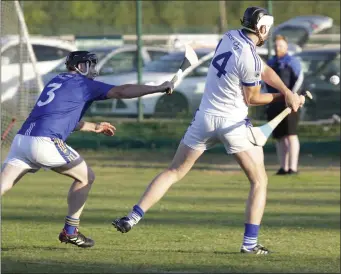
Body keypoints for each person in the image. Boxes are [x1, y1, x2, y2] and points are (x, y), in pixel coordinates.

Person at [112, 7, 305, 255]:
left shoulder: (229, 36)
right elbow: (252, 98)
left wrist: (287, 92)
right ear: (263, 29)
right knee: (259, 181)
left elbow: (263, 68)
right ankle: (249, 244)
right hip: (232, 124)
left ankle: (132, 217)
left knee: (173, 171)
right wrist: (284, 97)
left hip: (204, 119)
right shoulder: (251, 58)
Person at [0, 51, 173, 248]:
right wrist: (158, 88)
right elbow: (122, 91)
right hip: (44, 141)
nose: (95, 69)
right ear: (81, 66)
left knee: (3, 185)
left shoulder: (57, 80)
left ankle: (70, 231)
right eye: (91, 64)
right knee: (86, 177)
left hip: (22, 140)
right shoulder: (83, 83)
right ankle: (70, 231)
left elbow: (63, 117)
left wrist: (94, 127)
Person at [265, 35, 304, 175]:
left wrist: (292, 96)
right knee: (279, 137)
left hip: (289, 104)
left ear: (286, 47)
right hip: (274, 103)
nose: (277, 48)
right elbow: (264, 83)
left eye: (281, 45)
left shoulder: (292, 62)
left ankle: (293, 168)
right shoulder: (271, 63)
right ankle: (283, 167)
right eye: (276, 45)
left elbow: (299, 79)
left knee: (291, 135)